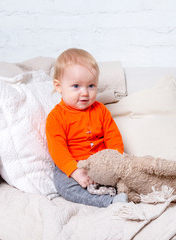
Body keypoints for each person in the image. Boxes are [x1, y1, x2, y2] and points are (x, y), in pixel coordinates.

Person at [46, 48, 128, 207]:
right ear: (59, 86)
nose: (85, 93)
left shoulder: (100, 110)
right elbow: (58, 150)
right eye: (76, 86)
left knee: (129, 170)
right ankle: (107, 201)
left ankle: (126, 190)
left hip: (102, 162)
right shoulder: (56, 117)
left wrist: (114, 160)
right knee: (64, 186)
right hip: (73, 164)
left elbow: (113, 137)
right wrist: (74, 171)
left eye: (91, 86)